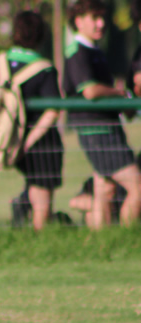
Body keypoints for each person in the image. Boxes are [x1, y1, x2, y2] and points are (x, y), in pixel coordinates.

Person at [0, 11, 63, 231]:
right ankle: (38, 238)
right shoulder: (44, 69)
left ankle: (23, 203)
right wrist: (27, 142)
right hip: (39, 142)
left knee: (33, 184)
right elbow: (53, 110)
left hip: (6, 139)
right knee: (42, 191)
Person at [63, 0, 141, 229]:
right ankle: (126, 237)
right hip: (97, 133)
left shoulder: (94, 50)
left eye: (102, 17)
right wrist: (119, 93)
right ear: (78, 21)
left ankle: (102, 241)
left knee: (105, 189)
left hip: (107, 130)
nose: (101, 23)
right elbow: (90, 90)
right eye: (94, 18)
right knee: (137, 186)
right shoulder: (77, 52)